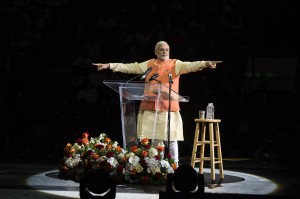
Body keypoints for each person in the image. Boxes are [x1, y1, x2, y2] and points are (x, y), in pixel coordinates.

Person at [92, 41, 221, 164]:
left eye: (167, 50)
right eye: (161, 49)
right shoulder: (148, 64)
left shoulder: (176, 64)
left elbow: (191, 65)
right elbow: (129, 67)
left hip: (168, 108)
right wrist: (109, 65)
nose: (164, 51)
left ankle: (174, 166)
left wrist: (206, 63)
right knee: (156, 142)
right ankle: (158, 166)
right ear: (156, 51)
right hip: (150, 107)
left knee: (171, 141)